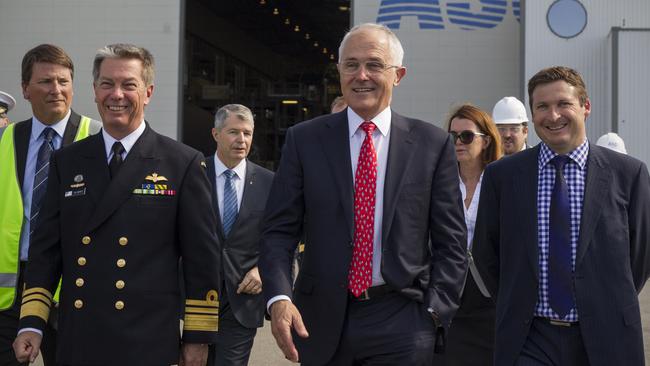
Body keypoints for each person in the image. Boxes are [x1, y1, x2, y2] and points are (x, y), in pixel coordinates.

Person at [259, 23, 467, 366]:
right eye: (351, 65)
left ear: (398, 75)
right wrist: (279, 298)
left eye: (374, 64)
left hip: (403, 317)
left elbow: (452, 242)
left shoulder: (432, 145)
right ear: (339, 72)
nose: (361, 75)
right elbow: (278, 231)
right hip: (321, 320)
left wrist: (434, 311)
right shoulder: (305, 140)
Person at [12, 43, 221, 366]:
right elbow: (45, 251)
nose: (116, 94)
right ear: (95, 91)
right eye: (107, 84)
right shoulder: (67, 162)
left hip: (147, 341)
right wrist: (32, 322)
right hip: (79, 338)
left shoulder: (181, 163)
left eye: (129, 85)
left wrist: (197, 338)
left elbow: (202, 260)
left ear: (148, 92)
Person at [474, 66, 650, 365]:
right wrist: (516, 301)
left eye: (563, 104)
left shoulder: (629, 174)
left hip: (607, 336)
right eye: (542, 107)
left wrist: (605, 298)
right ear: (532, 115)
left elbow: (640, 255)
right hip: (528, 338)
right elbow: (486, 252)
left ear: (586, 107)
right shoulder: (502, 176)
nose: (553, 116)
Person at [0, 44, 100, 366]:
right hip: (10, 291)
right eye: (45, 82)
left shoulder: (99, 139)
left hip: (72, 289)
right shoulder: (4, 140)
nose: (56, 90)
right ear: (25, 90)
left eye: (63, 81)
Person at [205, 104, 273, 366]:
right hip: (199, 296)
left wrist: (262, 269)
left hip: (243, 297)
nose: (241, 140)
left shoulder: (269, 183)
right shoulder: (195, 174)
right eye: (234, 132)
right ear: (215, 134)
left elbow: (279, 238)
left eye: (247, 133)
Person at [434, 104, 501, 365]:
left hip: (490, 298)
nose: (458, 142)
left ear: (485, 141)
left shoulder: (502, 182)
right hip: (449, 297)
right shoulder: (439, 182)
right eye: (452, 136)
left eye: (467, 136)